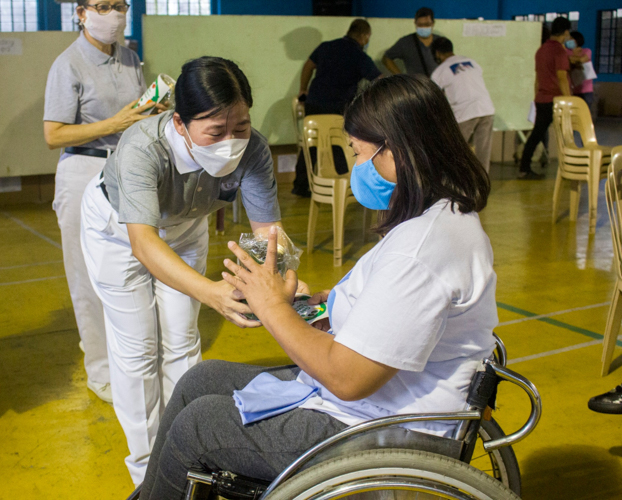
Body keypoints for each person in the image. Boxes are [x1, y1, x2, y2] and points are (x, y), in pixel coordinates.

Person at [138, 74, 496, 500]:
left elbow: (347, 379)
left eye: (360, 154)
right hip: (379, 401)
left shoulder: (420, 251)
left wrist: (274, 308)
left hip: (386, 425)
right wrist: (329, 304)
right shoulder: (437, 220)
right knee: (202, 380)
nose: (357, 167)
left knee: (198, 426)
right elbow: (392, 311)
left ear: (399, 150)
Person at [80, 56, 306, 485]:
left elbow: (267, 234)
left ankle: (181, 454)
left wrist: (285, 280)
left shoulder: (252, 150)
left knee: (183, 340)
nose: (232, 141)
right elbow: (143, 244)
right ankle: (146, 471)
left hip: (184, 228)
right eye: (216, 132)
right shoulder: (143, 147)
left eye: (240, 126)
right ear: (180, 123)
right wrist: (212, 293)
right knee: (138, 349)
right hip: (120, 230)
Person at [43, 0, 156, 404]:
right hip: (84, 171)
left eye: (120, 5)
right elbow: (54, 135)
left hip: (127, 169)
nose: (114, 14)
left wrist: (151, 112)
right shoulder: (68, 64)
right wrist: (114, 124)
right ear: (81, 12)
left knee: (132, 267)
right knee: (86, 275)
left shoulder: (130, 58)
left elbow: (134, 114)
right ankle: (100, 369)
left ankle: (132, 357)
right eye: (104, 6)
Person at [292, 19, 382, 197]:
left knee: (310, 146)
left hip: (315, 104)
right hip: (339, 108)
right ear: (364, 36)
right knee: (340, 146)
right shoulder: (360, 56)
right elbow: (378, 80)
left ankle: (301, 185)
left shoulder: (327, 46)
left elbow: (308, 65)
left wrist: (303, 89)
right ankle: (344, 185)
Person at [518, 16, 573, 180]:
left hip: (541, 98)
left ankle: (524, 167)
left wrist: (536, 97)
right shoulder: (559, 51)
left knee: (536, 135)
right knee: (566, 135)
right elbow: (562, 77)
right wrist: (569, 101)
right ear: (566, 32)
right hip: (556, 101)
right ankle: (570, 167)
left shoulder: (541, 50)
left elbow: (537, 77)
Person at [431, 37, 495, 173]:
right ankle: (482, 188)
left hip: (465, 113)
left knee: (454, 153)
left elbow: (435, 98)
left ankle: (454, 187)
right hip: (486, 109)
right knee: (483, 155)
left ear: (437, 53)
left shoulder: (440, 71)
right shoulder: (471, 62)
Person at [382, 7, 440, 77]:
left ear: (433, 23)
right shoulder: (406, 42)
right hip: (415, 86)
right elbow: (386, 58)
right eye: (420, 25)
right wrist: (401, 77)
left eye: (427, 24)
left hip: (438, 85)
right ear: (415, 23)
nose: (424, 27)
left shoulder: (440, 42)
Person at [566, 31, 594, 112]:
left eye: (570, 39)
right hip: (573, 90)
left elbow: (582, 59)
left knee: (585, 114)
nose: (568, 41)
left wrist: (572, 58)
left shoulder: (586, 51)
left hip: (586, 90)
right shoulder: (566, 52)